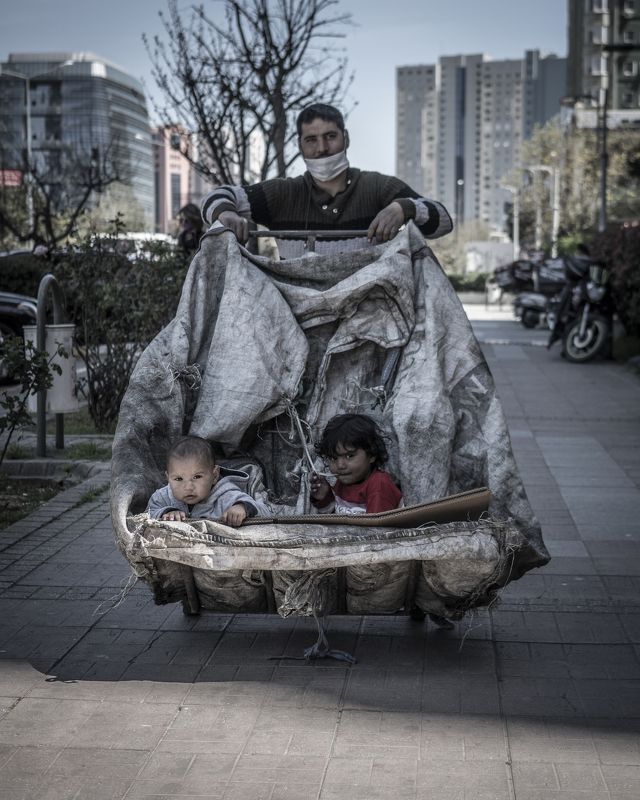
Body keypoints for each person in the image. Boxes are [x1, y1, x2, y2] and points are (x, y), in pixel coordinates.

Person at [200, 102, 452, 254]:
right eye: (311, 140)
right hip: (297, 318)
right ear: (300, 146)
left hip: (371, 315)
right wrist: (226, 213)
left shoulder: (378, 187)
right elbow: (218, 196)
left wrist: (404, 208)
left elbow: (443, 223)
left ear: (346, 138)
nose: (322, 148)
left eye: (330, 137)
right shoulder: (283, 194)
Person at [146, 435, 268, 527]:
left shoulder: (226, 496)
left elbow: (265, 512)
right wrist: (166, 512)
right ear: (168, 478)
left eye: (197, 477)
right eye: (178, 479)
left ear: (214, 475)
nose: (188, 487)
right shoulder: (162, 497)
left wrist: (243, 508)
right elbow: (145, 515)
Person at [309, 413, 402, 514]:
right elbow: (335, 516)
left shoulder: (379, 485)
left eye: (349, 456)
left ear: (372, 454)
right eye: (333, 458)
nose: (340, 465)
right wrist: (325, 496)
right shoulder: (344, 482)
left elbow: (378, 523)